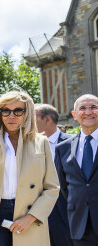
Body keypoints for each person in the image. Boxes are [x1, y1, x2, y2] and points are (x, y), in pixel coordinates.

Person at [0, 91, 59, 246]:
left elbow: (52, 188)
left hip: (29, 213)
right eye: (6, 111)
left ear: (26, 113)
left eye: (18, 111)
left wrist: (31, 217)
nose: (11, 116)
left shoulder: (41, 142)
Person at [55, 94, 98, 245]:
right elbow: (64, 187)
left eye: (93, 107)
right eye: (82, 108)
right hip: (80, 226)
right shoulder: (63, 148)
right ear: (74, 115)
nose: (88, 112)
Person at [35, 104, 73, 246]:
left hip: (66, 209)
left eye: (34, 119)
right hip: (39, 210)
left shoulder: (72, 143)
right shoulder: (30, 145)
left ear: (48, 119)